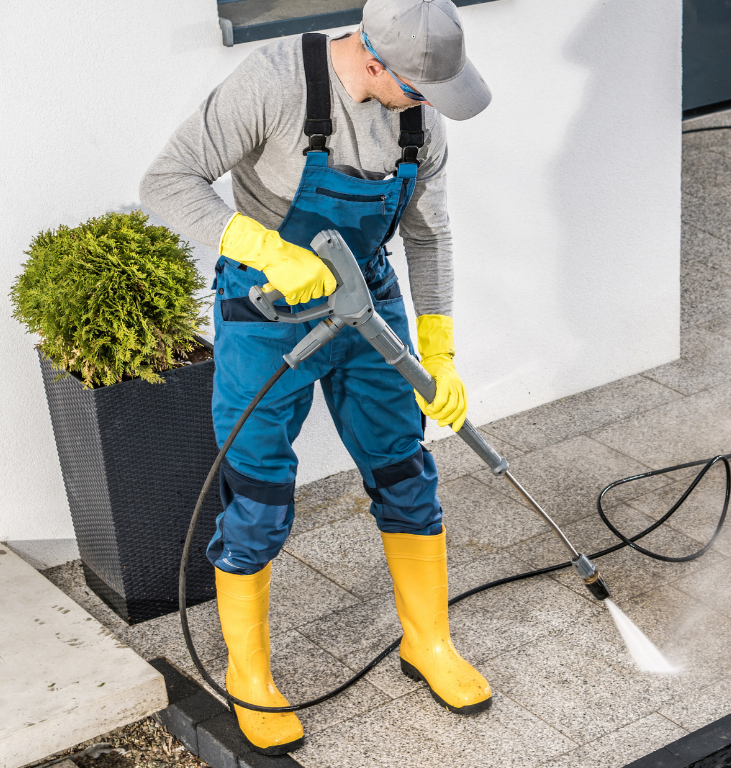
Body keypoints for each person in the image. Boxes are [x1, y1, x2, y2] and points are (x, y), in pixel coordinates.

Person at [139, 0, 492, 754]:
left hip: (368, 304)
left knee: (405, 470)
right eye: (423, 90)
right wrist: (265, 249)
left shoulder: (419, 121)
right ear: (372, 63)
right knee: (259, 496)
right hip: (268, 315)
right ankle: (251, 678)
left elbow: (429, 237)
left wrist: (439, 346)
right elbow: (167, 181)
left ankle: (427, 643)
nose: (433, 109)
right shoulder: (272, 83)